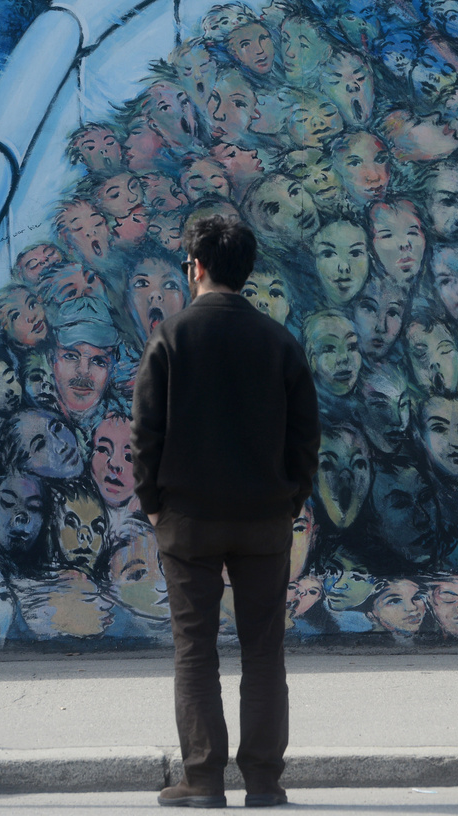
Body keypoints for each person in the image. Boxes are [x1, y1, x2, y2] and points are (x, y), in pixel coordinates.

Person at [132, 215, 320, 808]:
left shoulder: (172, 339)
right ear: (245, 270)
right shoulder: (279, 342)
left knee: (196, 648)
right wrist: (287, 502)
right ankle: (264, 781)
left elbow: (145, 435)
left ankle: (204, 780)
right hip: (265, 522)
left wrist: (154, 508)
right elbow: (305, 438)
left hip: (187, 522)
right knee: (265, 650)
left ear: (197, 268)